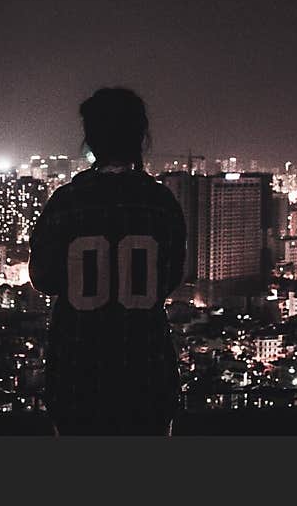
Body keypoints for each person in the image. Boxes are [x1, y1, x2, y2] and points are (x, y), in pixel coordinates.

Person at [29, 87, 187, 435]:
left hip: (77, 368)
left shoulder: (66, 202)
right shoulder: (161, 203)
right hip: (146, 367)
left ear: (90, 139)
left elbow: (42, 278)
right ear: (140, 138)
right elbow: (172, 276)